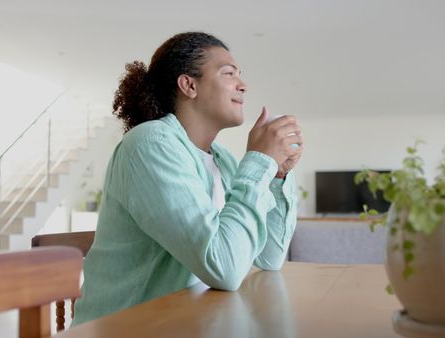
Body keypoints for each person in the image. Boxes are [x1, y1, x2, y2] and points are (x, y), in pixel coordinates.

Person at [71, 31, 303, 326]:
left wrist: (276, 174)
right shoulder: (150, 144)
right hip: (128, 330)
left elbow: (269, 258)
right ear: (189, 85)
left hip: (188, 323)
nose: (243, 85)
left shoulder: (224, 162)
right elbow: (226, 269)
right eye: (229, 73)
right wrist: (260, 162)